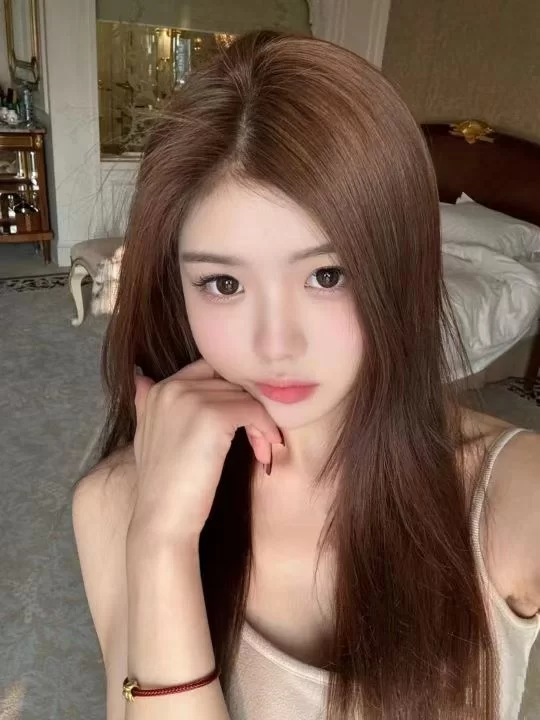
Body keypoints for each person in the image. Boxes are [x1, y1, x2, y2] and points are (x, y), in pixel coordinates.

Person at [71, 30, 540, 720]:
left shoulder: (513, 495)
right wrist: (162, 541)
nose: (275, 343)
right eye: (224, 283)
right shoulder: (118, 500)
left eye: (327, 275)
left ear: (400, 268)